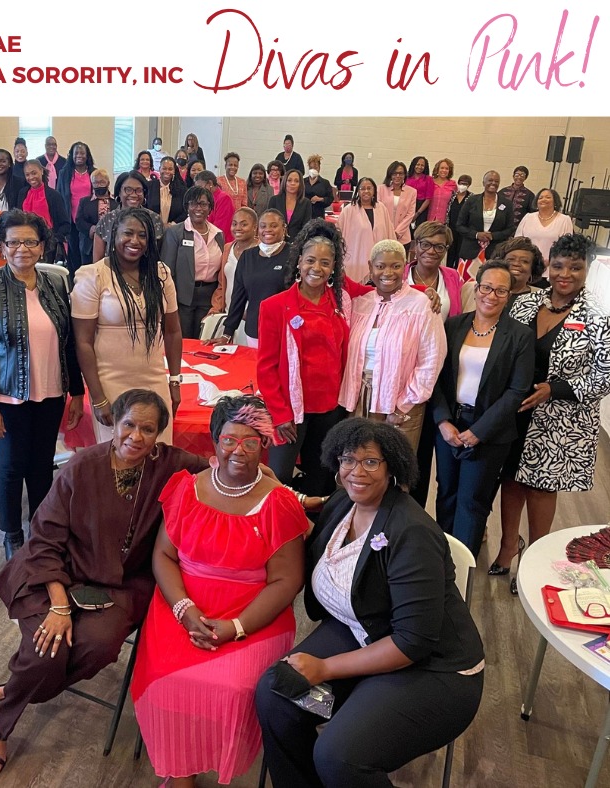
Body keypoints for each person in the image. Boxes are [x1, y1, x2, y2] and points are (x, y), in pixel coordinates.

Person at [0, 390, 208, 778]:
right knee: (43, 653)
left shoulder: (171, 464)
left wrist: (277, 486)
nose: (136, 436)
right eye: (129, 425)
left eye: (148, 429)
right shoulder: (81, 466)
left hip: (121, 585)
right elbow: (44, 539)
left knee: (100, 646)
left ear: (159, 436)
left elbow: (225, 470)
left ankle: (13, 689)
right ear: (113, 423)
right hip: (54, 575)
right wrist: (59, 606)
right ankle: (2, 725)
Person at [256, 418, 485, 788]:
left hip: (434, 669)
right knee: (275, 695)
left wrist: (326, 668)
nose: (356, 471)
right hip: (365, 630)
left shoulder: (411, 532)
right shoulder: (344, 503)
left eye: (370, 462)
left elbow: (414, 641)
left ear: (392, 466)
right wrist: (270, 491)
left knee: (339, 755)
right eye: (348, 460)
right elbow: (323, 548)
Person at [132, 395, 308, 787]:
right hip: (182, 603)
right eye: (230, 440)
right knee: (165, 677)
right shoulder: (186, 488)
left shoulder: (278, 503)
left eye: (251, 442)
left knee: (233, 687)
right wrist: (182, 608)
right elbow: (163, 555)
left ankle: (209, 755)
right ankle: (182, 773)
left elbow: (286, 581)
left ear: (264, 446)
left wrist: (236, 628)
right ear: (215, 441)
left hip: (252, 613)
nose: (239, 451)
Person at [493, 233, 610, 593]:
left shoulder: (598, 317)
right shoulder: (526, 304)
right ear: (549, 265)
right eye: (558, 265)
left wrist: (554, 389)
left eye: (575, 267)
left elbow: (604, 375)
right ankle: (508, 547)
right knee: (510, 480)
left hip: (560, 419)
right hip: (516, 411)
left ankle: (534, 557)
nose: (565, 274)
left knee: (541, 487)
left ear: (587, 270)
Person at [0, 209, 84, 558]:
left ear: (42, 246)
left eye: (30, 241)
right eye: (13, 242)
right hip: (6, 398)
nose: (22, 249)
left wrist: (76, 392)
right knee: (12, 464)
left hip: (50, 393)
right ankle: (12, 535)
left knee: (41, 463)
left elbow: (69, 343)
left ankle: (41, 528)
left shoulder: (57, 284)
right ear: (1, 246)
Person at [432, 261, 534, 557]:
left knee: (472, 500)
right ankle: (441, 559)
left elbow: (517, 391)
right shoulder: (454, 325)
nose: (492, 295)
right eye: (486, 287)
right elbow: (435, 376)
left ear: (509, 295)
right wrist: (442, 421)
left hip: (489, 431)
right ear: (475, 289)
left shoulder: (519, 335)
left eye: (501, 290)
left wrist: (479, 432)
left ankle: (462, 570)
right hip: (450, 424)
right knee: (446, 494)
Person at [258, 220, 351, 496]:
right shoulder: (274, 307)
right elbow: (265, 366)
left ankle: (312, 530)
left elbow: (381, 291)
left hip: (330, 408)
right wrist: (279, 414)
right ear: (299, 262)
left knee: (321, 474)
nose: (317, 268)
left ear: (334, 267)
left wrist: (423, 292)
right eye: (311, 260)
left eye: (325, 262)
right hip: (291, 411)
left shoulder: (341, 301)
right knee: (280, 476)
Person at [73, 208, 183, 443]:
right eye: (128, 233)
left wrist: (174, 381)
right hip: (110, 382)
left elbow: (173, 331)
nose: (135, 241)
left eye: (142, 235)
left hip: (154, 379)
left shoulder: (161, 273)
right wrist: (98, 397)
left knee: (158, 454)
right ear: (113, 237)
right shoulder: (93, 275)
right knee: (118, 458)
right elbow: (83, 342)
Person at [339, 239, 446, 450]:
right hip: (359, 397)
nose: (388, 272)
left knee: (395, 466)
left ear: (405, 265)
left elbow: (432, 359)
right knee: (359, 461)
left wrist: (404, 404)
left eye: (395, 266)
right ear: (370, 267)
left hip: (401, 400)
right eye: (380, 266)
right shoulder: (361, 302)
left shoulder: (421, 305)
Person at [406, 221, 472, 507]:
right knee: (413, 451)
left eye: (440, 246)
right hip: (408, 372)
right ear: (415, 247)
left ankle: (433, 518)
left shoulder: (452, 278)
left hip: (444, 373)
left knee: (439, 449)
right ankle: (408, 510)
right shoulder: (400, 276)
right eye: (426, 244)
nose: (432, 251)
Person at [214, 208, 290, 347]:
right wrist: (227, 333)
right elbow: (238, 297)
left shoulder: (293, 256)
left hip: (286, 330)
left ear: (284, 229)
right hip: (255, 330)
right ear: (258, 229)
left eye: (274, 226)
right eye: (263, 226)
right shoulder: (248, 257)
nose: (268, 230)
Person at [161, 186, 225, 338]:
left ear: (210, 208)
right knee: (183, 340)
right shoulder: (175, 233)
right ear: (187, 206)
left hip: (209, 297)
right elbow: (166, 270)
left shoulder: (218, 234)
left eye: (204, 204)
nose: (199, 208)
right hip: (182, 297)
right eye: (194, 204)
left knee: (204, 339)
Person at [92, 171, 165, 262]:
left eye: (138, 190)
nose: (134, 195)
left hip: (147, 274)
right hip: (111, 274)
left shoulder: (155, 220)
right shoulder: (106, 221)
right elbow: (97, 264)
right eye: (128, 190)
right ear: (119, 192)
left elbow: (160, 258)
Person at [337, 177, 393, 283]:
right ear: (357, 191)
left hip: (379, 258)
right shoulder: (349, 210)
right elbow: (339, 234)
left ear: (374, 191)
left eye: (369, 188)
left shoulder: (382, 208)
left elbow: (389, 233)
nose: (366, 191)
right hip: (356, 260)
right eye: (362, 188)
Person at [14, 160, 70, 264]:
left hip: (47, 246)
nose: (31, 177)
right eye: (27, 174)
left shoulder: (54, 195)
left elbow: (65, 224)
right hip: (25, 242)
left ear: (42, 171)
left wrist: (53, 239)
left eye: (34, 173)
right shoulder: (22, 193)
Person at [456, 170, 514, 265]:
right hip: (470, 252)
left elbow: (510, 228)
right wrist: (476, 234)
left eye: (496, 181)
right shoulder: (472, 200)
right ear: (483, 182)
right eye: (490, 180)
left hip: (494, 254)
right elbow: (459, 225)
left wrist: (493, 236)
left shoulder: (506, 204)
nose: (493, 183)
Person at [211, 207, 258, 324]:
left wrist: (253, 312)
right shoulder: (227, 248)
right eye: (234, 224)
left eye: (244, 224)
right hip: (228, 315)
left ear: (255, 227)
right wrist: (215, 309)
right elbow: (222, 285)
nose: (238, 228)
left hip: (252, 318)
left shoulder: (261, 250)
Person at [55, 141, 95, 273]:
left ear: (87, 155)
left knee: (87, 254)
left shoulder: (93, 173)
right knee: (74, 255)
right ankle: (74, 285)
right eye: (76, 152)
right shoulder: (64, 173)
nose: (79, 155)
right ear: (71, 155)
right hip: (71, 221)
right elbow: (59, 196)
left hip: (88, 222)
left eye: (82, 152)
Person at [515, 188, 574, 267]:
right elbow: (517, 241)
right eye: (540, 198)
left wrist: (551, 260)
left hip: (553, 267)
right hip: (527, 266)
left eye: (548, 197)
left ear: (555, 201)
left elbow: (567, 246)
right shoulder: (528, 217)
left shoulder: (564, 220)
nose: (543, 199)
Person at [74, 168, 114, 268]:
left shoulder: (116, 201)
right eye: (96, 182)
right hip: (89, 245)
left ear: (108, 183)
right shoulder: (84, 202)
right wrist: (91, 228)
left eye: (102, 182)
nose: (99, 185)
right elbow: (79, 221)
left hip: (112, 244)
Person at [493, 235, 546, 307]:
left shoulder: (542, 298)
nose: (516, 264)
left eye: (524, 261)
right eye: (511, 259)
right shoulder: (482, 290)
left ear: (533, 269)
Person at [377, 161, 416, 249]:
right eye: (395, 173)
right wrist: (389, 232)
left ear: (405, 175)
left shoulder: (412, 192)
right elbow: (378, 211)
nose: (398, 176)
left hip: (403, 236)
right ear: (390, 174)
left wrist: (397, 232)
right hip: (384, 234)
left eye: (401, 173)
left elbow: (410, 214)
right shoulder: (380, 189)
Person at [269, 169, 311, 242]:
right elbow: (269, 222)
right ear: (285, 182)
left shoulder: (306, 203)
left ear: (300, 184)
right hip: (275, 241)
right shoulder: (274, 200)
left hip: (296, 243)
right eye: (289, 180)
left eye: (296, 181)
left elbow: (306, 227)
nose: (292, 183)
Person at [146, 156, 187, 227]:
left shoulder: (181, 190)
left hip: (174, 229)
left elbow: (185, 211)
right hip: (152, 228)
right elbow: (144, 208)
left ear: (174, 171)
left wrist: (172, 224)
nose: (167, 171)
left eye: (170, 169)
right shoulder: (149, 186)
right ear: (159, 169)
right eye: (164, 168)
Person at [194, 169, 234, 241]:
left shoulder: (224, 198)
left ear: (210, 183)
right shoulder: (205, 198)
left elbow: (220, 228)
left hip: (219, 242)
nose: (199, 191)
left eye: (200, 187)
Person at [446, 174, 473, 268]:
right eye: (461, 183)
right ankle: (448, 269)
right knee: (451, 251)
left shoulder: (471, 198)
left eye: (465, 184)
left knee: (460, 252)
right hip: (451, 228)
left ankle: (458, 270)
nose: (463, 186)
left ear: (469, 185)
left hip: (463, 229)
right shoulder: (452, 196)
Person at [406, 155, 434, 230]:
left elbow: (428, 199)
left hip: (421, 208)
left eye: (422, 165)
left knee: (418, 231)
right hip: (407, 205)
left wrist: (417, 213)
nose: (420, 167)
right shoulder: (407, 177)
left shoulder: (428, 179)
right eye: (418, 164)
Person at [303, 155, 334, 220]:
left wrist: (320, 199)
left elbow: (330, 198)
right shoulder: (303, 182)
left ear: (319, 168)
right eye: (311, 168)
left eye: (315, 168)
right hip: (304, 215)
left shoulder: (325, 183)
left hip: (319, 215)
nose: (313, 170)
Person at [427, 158, 456, 224]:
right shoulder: (430, 182)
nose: (444, 170)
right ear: (437, 169)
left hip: (443, 221)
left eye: (446, 169)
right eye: (442, 168)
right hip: (428, 219)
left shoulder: (452, 184)